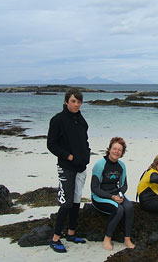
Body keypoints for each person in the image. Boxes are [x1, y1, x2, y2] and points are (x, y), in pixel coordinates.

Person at [47, 88, 90, 253]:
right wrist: (68, 156)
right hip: (66, 167)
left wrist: (86, 154)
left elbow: (84, 140)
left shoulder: (81, 120)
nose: (76, 104)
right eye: (73, 101)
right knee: (66, 203)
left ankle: (71, 233)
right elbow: (51, 144)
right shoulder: (58, 120)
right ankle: (55, 238)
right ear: (66, 101)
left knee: (76, 202)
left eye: (79, 102)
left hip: (81, 167)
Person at [91, 137, 135, 250]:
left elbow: (124, 185)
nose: (116, 151)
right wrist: (112, 197)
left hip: (115, 194)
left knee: (129, 207)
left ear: (122, 153)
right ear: (109, 149)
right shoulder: (100, 164)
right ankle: (107, 239)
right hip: (100, 196)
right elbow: (94, 188)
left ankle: (127, 239)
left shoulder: (121, 166)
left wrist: (120, 194)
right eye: (114, 148)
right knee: (118, 210)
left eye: (119, 150)